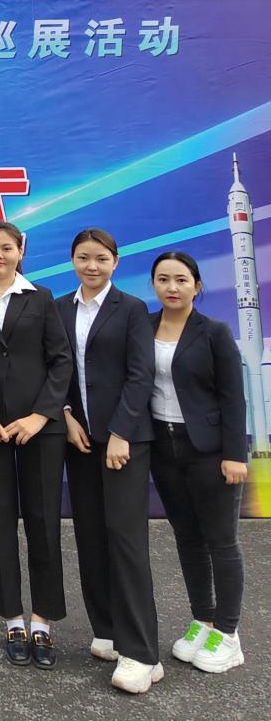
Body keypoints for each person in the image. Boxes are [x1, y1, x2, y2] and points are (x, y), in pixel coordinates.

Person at [0, 221, 72, 669]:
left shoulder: (40, 298)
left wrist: (40, 416)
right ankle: (12, 618)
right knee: (0, 524)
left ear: (20, 251)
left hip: (39, 430)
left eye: (6, 248)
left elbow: (61, 361)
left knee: (43, 523)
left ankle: (43, 622)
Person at [56, 228, 160, 694]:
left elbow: (141, 375)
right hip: (79, 440)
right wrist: (66, 416)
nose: (92, 266)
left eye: (100, 258)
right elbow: (57, 369)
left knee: (126, 541)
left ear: (115, 262)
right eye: (84, 257)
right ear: (72, 261)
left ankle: (142, 653)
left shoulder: (132, 309)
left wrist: (121, 432)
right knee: (91, 535)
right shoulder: (61, 308)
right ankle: (109, 631)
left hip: (125, 442)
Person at [148, 251, 247, 674]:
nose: (172, 287)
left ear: (196, 286)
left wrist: (235, 455)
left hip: (209, 450)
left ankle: (228, 632)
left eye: (181, 280)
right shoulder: (144, 327)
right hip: (163, 448)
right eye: (163, 279)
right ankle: (203, 621)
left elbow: (233, 397)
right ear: (154, 284)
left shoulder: (214, 332)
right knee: (187, 537)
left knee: (221, 541)